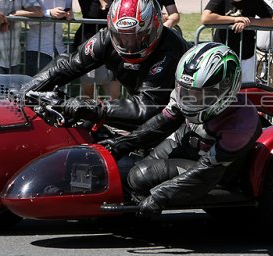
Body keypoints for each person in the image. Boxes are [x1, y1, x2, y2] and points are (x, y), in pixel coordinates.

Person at [101, 42, 261, 217]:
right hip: (185, 142)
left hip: (215, 171)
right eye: (185, 91)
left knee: (141, 176)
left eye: (199, 94)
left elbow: (207, 172)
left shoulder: (241, 122)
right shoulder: (185, 95)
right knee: (126, 169)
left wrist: (160, 196)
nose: (189, 99)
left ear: (224, 89)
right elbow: (162, 122)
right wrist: (121, 144)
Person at [22, 0, 189, 131]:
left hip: (183, 119)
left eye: (136, 38)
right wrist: (27, 90)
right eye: (122, 37)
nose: (129, 45)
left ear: (154, 28)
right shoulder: (107, 38)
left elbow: (147, 107)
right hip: (145, 110)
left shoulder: (170, 50)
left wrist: (89, 108)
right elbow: (68, 64)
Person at [200, 0, 273, 82]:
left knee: (246, 90)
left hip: (247, 55)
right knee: (221, 88)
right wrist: (236, 19)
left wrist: (250, 21)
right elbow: (205, 18)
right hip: (222, 54)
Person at [72, 0, 120, 100]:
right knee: (88, 92)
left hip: (109, 49)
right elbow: (91, 15)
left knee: (113, 94)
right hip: (90, 49)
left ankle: (111, 120)